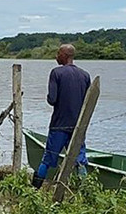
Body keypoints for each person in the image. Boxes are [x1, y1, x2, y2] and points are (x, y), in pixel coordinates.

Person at [32, 44, 92, 189]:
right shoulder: (85, 75)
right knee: (80, 159)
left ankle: (35, 189)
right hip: (77, 126)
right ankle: (86, 191)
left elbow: (52, 99)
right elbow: (87, 102)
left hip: (59, 125)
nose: (56, 56)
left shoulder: (56, 73)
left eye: (58, 53)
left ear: (64, 55)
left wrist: (49, 97)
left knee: (48, 158)